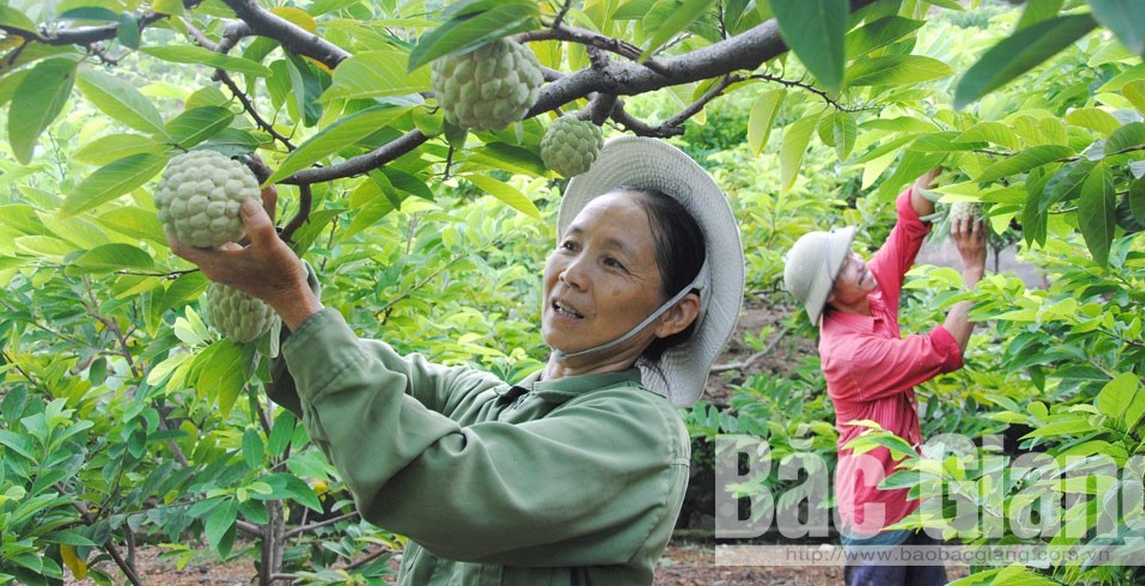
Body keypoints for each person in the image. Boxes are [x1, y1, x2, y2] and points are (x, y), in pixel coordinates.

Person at [171, 136, 744, 586]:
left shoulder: (637, 438)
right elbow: (351, 370)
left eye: (613, 263)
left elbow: (442, 487)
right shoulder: (497, 401)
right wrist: (273, 272)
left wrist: (291, 296)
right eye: (570, 245)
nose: (571, 273)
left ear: (674, 314)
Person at [782, 168, 988, 586]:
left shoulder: (867, 296)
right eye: (844, 265)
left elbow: (908, 227)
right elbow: (944, 348)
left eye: (853, 254)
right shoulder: (849, 353)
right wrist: (974, 269)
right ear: (830, 297)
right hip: (877, 512)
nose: (859, 262)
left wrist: (938, 160)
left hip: (912, 494)